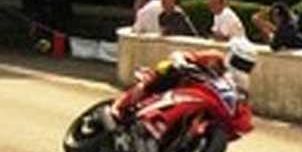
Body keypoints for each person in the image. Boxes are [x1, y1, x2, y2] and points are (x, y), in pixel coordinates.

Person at [110, 38, 258, 122]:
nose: (242, 67)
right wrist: (182, 61)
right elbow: (184, 55)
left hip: (207, 101)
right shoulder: (214, 57)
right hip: (183, 86)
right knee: (165, 69)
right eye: (240, 62)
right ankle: (119, 105)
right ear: (231, 56)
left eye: (247, 65)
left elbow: (242, 100)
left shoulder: (243, 82)